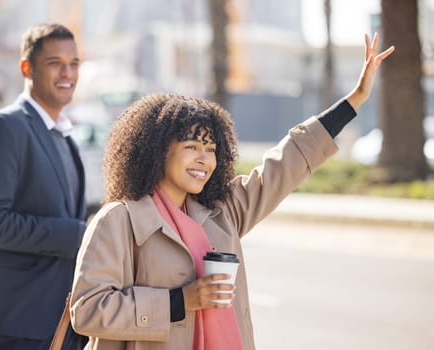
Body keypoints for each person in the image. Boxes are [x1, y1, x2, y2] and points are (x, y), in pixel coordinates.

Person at [68, 33, 394, 350]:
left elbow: (285, 164)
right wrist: (181, 301)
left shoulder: (222, 212)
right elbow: (87, 311)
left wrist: (353, 102)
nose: (203, 159)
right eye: (191, 146)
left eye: (210, 149)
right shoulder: (119, 221)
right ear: (157, 151)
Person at [0, 23, 88, 350]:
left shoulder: (64, 137)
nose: (68, 73)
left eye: (74, 63)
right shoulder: (3, 128)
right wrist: (76, 235)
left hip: (58, 320)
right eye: (55, 63)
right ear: (26, 67)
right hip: (17, 321)